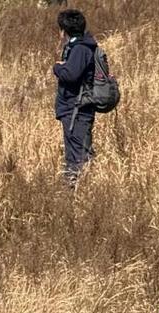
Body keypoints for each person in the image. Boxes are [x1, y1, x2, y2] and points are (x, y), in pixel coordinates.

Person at [52, 9, 97, 185]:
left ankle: (81, 187)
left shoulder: (80, 49)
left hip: (77, 109)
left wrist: (57, 68)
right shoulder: (80, 46)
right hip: (74, 108)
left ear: (64, 30)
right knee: (75, 151)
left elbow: (70, 75)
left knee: (79, 153)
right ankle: (75, 186)